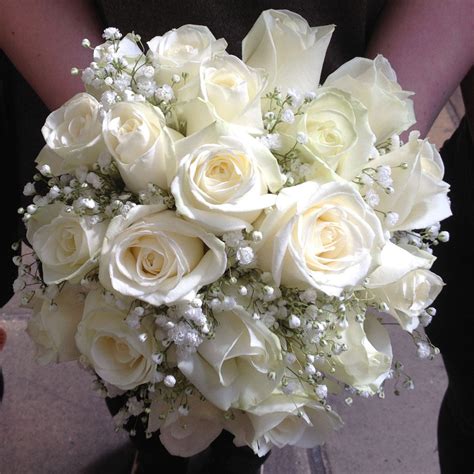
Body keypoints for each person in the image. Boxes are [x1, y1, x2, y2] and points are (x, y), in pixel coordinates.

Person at [0, 1, 472, 472]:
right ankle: (154, 437)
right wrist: (115, 137)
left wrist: (372, 158)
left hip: (332, 94)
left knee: (246, 368)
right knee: (130, 334)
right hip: (87, 66)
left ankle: (239, 447)